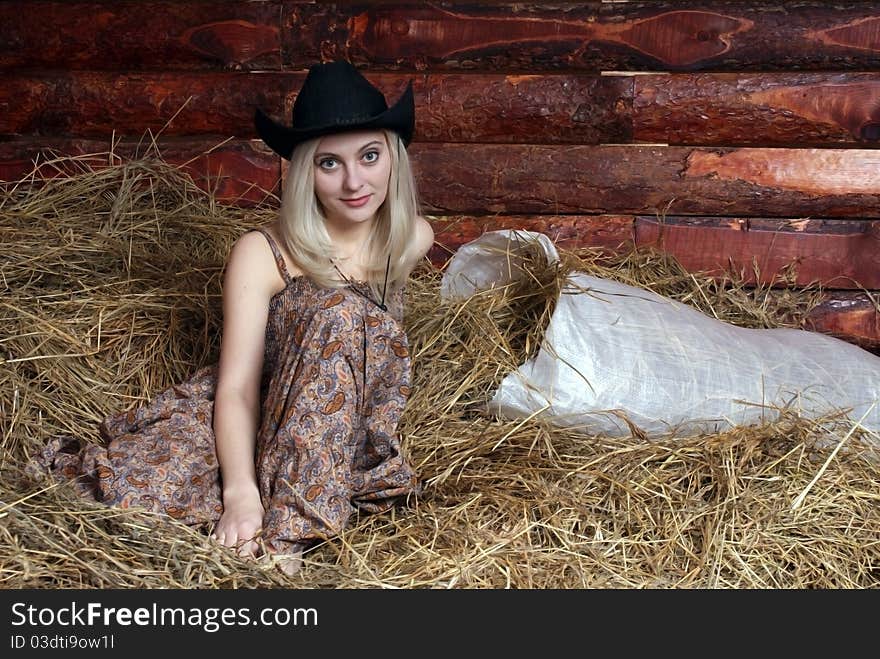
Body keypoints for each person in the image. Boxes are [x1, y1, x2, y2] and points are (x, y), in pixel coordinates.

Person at [27, 60, 434, 576]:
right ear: (306, 172)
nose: (354, 181)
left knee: (342, 316)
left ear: (392, 158)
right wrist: (240, 492)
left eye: (369, 156)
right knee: (137, 490)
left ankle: (289, 535)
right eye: (329, 163)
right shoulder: (263, 252)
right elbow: (238, 387)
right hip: (257, 409)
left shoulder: (411, 239)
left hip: (345, 430)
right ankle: (276, 511)